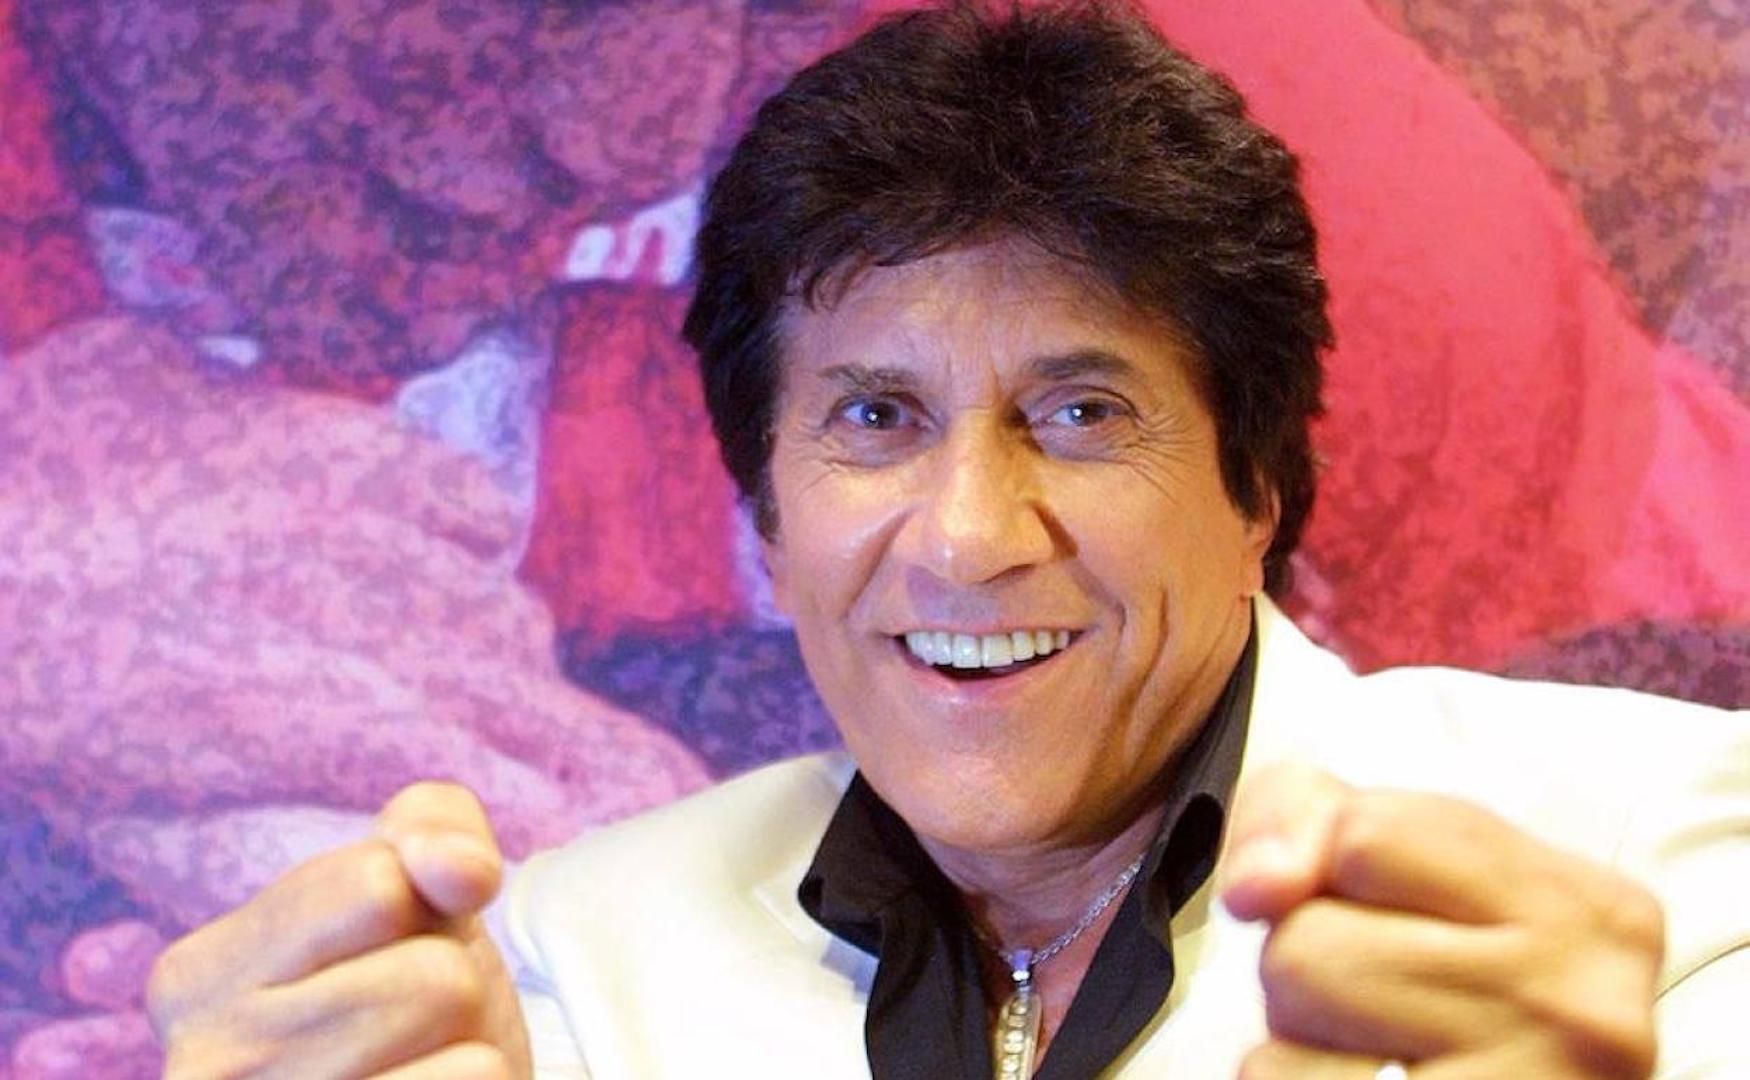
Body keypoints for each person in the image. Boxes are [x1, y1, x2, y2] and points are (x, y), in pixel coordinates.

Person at [145, 2, 1750, 1077]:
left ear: (1258, 492)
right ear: (771, 523)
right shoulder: (558, 962)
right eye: (872, 419)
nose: (969, 537)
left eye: (1080, 414)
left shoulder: (1671, 862)